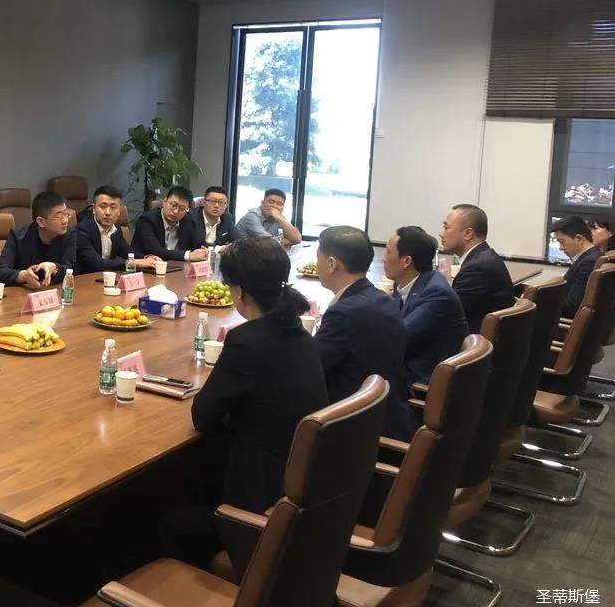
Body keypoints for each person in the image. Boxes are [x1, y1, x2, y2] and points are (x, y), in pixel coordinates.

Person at [161, 237, 327, 570]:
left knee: (166, 523)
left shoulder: (247, 341)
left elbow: (203, 416)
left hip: (259, 499)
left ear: (238, 292)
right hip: (300, 485)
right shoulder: (299, 331)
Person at [313, 225, 412, 440]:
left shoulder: (343, 313)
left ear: (332, 264)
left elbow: (311, 368)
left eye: (318, 257)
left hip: (354, 431)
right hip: (387, 415)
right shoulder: (384, 299)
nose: (316, 263)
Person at [384, 226, 469, 390]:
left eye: (388, 253)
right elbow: (389, 320)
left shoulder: (436, 293)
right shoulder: (408, 283)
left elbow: (398, 338)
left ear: (406, 261)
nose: (384, 259)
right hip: (408, 364)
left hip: (420, 380)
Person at [440, 204, 515, 334]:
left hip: (474, 341)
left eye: (446, 228)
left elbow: (446, 313)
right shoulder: (485, 257)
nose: (441, 234)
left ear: (468, 234)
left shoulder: (477, 268)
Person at [0, 191, 77, 287]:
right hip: (22, 292)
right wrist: (22, 275)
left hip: (55, 291)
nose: (65, 220)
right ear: (41, 221)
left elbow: (71, 267)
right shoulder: (18, 236)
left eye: (66, 214)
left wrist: (54, 268)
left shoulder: (69, 234)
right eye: (58, 216)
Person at [74, 185, 159, 274]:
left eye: (113, 207)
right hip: (85, 279)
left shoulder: (116, 229)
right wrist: (134, 262)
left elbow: (127, 252)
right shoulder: (81, 231)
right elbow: (97, 263)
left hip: (106, 278)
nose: (107, 212)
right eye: (103, 206)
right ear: (94, 209)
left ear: (119, 211)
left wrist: (147, 258)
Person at [132, 186, 208, 263]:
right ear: (165, 201)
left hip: (178, 267)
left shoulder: (188, 220)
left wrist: (203, 251)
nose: (176, 211)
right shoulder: (147, 221)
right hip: (148, 267)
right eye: (173, 205)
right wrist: (188, 255)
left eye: (182, 209)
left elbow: (199, 243)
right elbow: (155, 251)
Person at [552, 216, 602, 318]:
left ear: (579, 239)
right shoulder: (593, 256)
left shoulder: (589, 262)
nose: (560, 248)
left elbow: (572, 305)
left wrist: (538, 303)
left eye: (562, 241)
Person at [234, 188, 301, 247]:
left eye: (279, 204)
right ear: (262, 203)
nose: (275, 206)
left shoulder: (278, 217)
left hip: (261, 252)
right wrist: (286, 241)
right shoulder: (252, 216)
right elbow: (268, 241)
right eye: (271, 202)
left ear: (283, 207)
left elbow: (297, 239)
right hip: (240, 253)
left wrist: (280, 219)